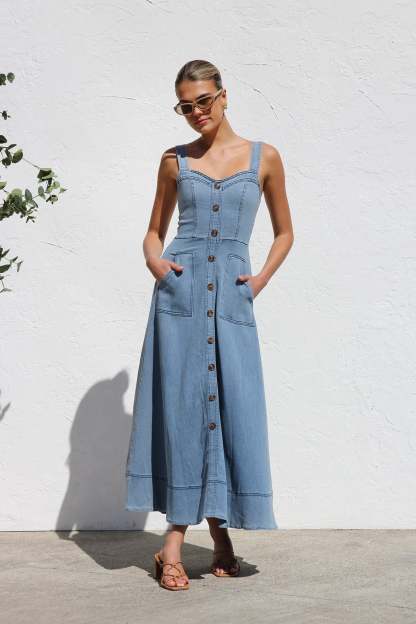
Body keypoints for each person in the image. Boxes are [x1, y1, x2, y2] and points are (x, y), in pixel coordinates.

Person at [125, 59, 294, 590]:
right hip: (182, 293)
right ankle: (173, 546)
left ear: (224, 95)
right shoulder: (174, 161)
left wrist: (259, 279)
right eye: (185, 106)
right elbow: (154, 231)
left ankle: (219, 536)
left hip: (232, 300)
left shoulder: (264, 158)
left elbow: (285, 232)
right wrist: (156, 264)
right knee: (184, 411)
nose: (196, 112)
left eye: (203, 100)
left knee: (228, 408)